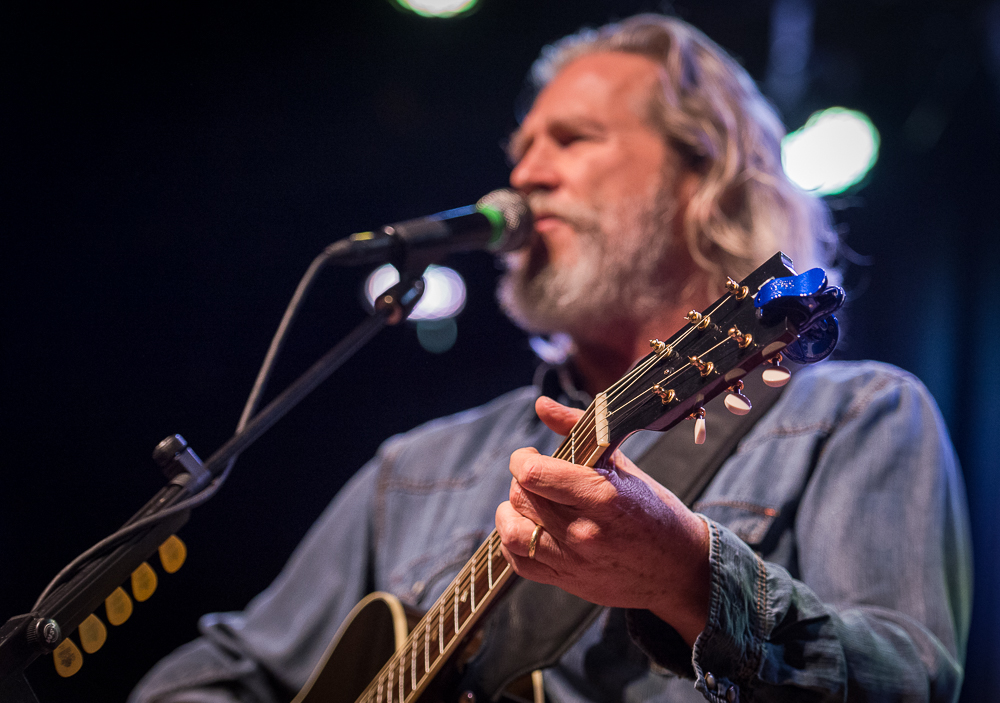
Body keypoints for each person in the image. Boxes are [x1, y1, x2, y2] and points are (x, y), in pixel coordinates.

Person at [131, 14, 971, 703]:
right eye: (521, 149)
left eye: (571, 140)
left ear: (703, 176)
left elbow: (911, 682)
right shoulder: (415, 470)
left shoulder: (861, 416)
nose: (524, 176)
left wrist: (692, 579)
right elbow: (207, 679)